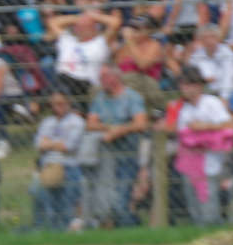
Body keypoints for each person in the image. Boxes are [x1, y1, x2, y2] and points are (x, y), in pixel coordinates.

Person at [171, 66, 233, 224]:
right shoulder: (184, 109)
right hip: (191, 163)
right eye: (182, 85)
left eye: (188, 84)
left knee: (209, 206)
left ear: (198, 85)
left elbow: (230, 125)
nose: (184, 89)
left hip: (210, 161)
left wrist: (204, 127)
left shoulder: (211, 103)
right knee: (194, 207)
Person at [85, 67, 149, 226]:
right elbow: (90, 124)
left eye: (104, 77)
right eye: (100, 77)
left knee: (121, 199)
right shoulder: (99, 98)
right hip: (106, 150)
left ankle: (131, 226)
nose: (101, 81)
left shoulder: (132, 97)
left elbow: (141, 124)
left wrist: (120, 130)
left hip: (128, 150)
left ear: (115, 78)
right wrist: (110, 128)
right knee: (107, 196)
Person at [33, 90, 87, 229]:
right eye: (54, 104)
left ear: (68, 103)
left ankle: (65, 227)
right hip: (48, 166)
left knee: (66, 207)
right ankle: (46, 229)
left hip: (69, 166)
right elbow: (38, 144)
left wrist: (48, 143)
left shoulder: (77, 121)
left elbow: (69, 146)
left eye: (60, 103)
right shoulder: (47, 122)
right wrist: (57, 144)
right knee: (39, 195)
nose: (57, 107)